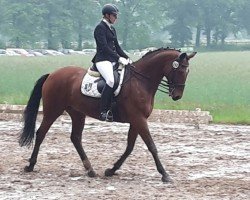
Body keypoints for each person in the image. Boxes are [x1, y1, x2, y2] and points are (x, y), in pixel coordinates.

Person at [92, 3, 131, 122]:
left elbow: (117, 47)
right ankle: (103, 111)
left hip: (112, 60)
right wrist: (118, 58)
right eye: (114, 15)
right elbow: (104, 47)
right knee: (110, 80)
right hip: (102, 60)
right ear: (107, 15)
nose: (116, 18)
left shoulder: (112, 28)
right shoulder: (100, 28)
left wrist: (127, 58)